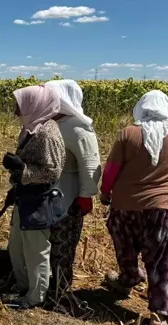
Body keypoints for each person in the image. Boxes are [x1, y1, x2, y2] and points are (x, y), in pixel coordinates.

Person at [100, 90, 168, 325]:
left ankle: (127, 278)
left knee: (125, 248)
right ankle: (161, 314)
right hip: (163, 210)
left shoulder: (128, 134)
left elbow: (111, 169)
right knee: (163, 260)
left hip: (125, 205)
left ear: (141, 108)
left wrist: (105, 192)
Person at [2, 84, 67, 309]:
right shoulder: (33, 127)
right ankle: (23, 287)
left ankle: (34, 297)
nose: (15, 110)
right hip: (26, 197)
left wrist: (22, 169)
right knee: (17, 247)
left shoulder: (47, 132)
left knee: (36, 251)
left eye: (19, 105)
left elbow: (53, 171)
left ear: (35, 105)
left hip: (38, 200)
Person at [44, 80, 102, 294]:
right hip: (45, 194)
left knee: (63, 244)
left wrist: (86, 195)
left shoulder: (78, 128)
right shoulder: (51, 122)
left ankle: (60, 287)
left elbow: (90, 164)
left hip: (67, 197)